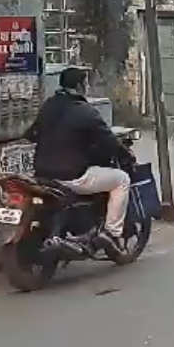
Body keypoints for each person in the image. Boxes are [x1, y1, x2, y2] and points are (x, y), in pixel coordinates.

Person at [25, 67, 133, 257]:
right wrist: (126, 155)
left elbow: (31, 134)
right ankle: (112, 233)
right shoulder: (85, 111)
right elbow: (108, 141)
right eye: (86, 82)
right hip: (72, 176)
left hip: (42, 173)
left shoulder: (49, 105)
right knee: (121, 179)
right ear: (79, 85)